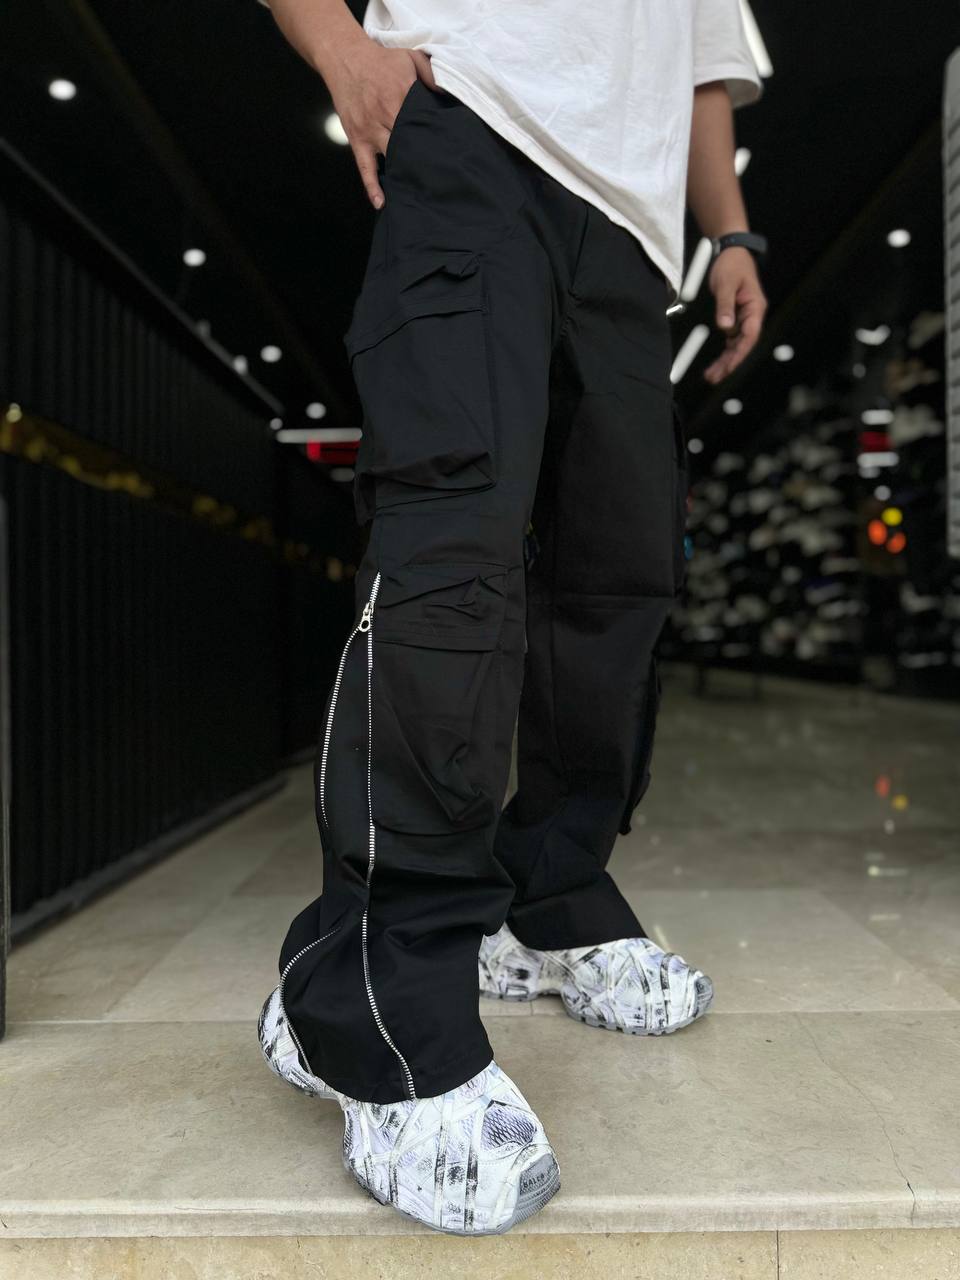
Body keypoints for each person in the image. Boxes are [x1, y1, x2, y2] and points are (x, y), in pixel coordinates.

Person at [255, 0, 766, 1236]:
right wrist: (342, 52)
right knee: (455, 552)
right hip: (480, 126)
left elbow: (702, 60)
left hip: (635, 234)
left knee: (616, 573)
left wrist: (733, 232)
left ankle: (551, 894)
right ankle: (371, 988)